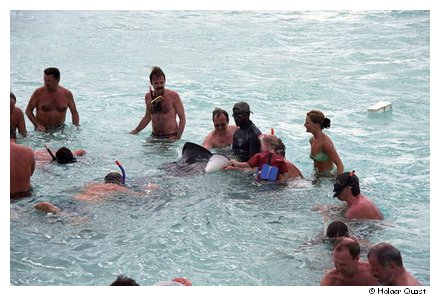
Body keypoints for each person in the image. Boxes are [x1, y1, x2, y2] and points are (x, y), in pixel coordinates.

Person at [131, 66, 186, 141]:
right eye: (156, 83)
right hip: (154, 136)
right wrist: (135, 131)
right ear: (151, 83)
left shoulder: (173, 96)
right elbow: (147, 117)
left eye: (161, 82)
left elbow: (182, 118)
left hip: (170, 137)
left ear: (165, 81)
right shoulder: (148, 97)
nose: (159, 85)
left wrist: (177, 138)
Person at [304, 110, 343, 175]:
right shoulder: (312, 140)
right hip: (317, 176)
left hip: (329, 178)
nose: (304, 125)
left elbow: (340, 164)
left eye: (307, 123)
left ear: (316, 125)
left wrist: (339, 182)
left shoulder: (325, 143)